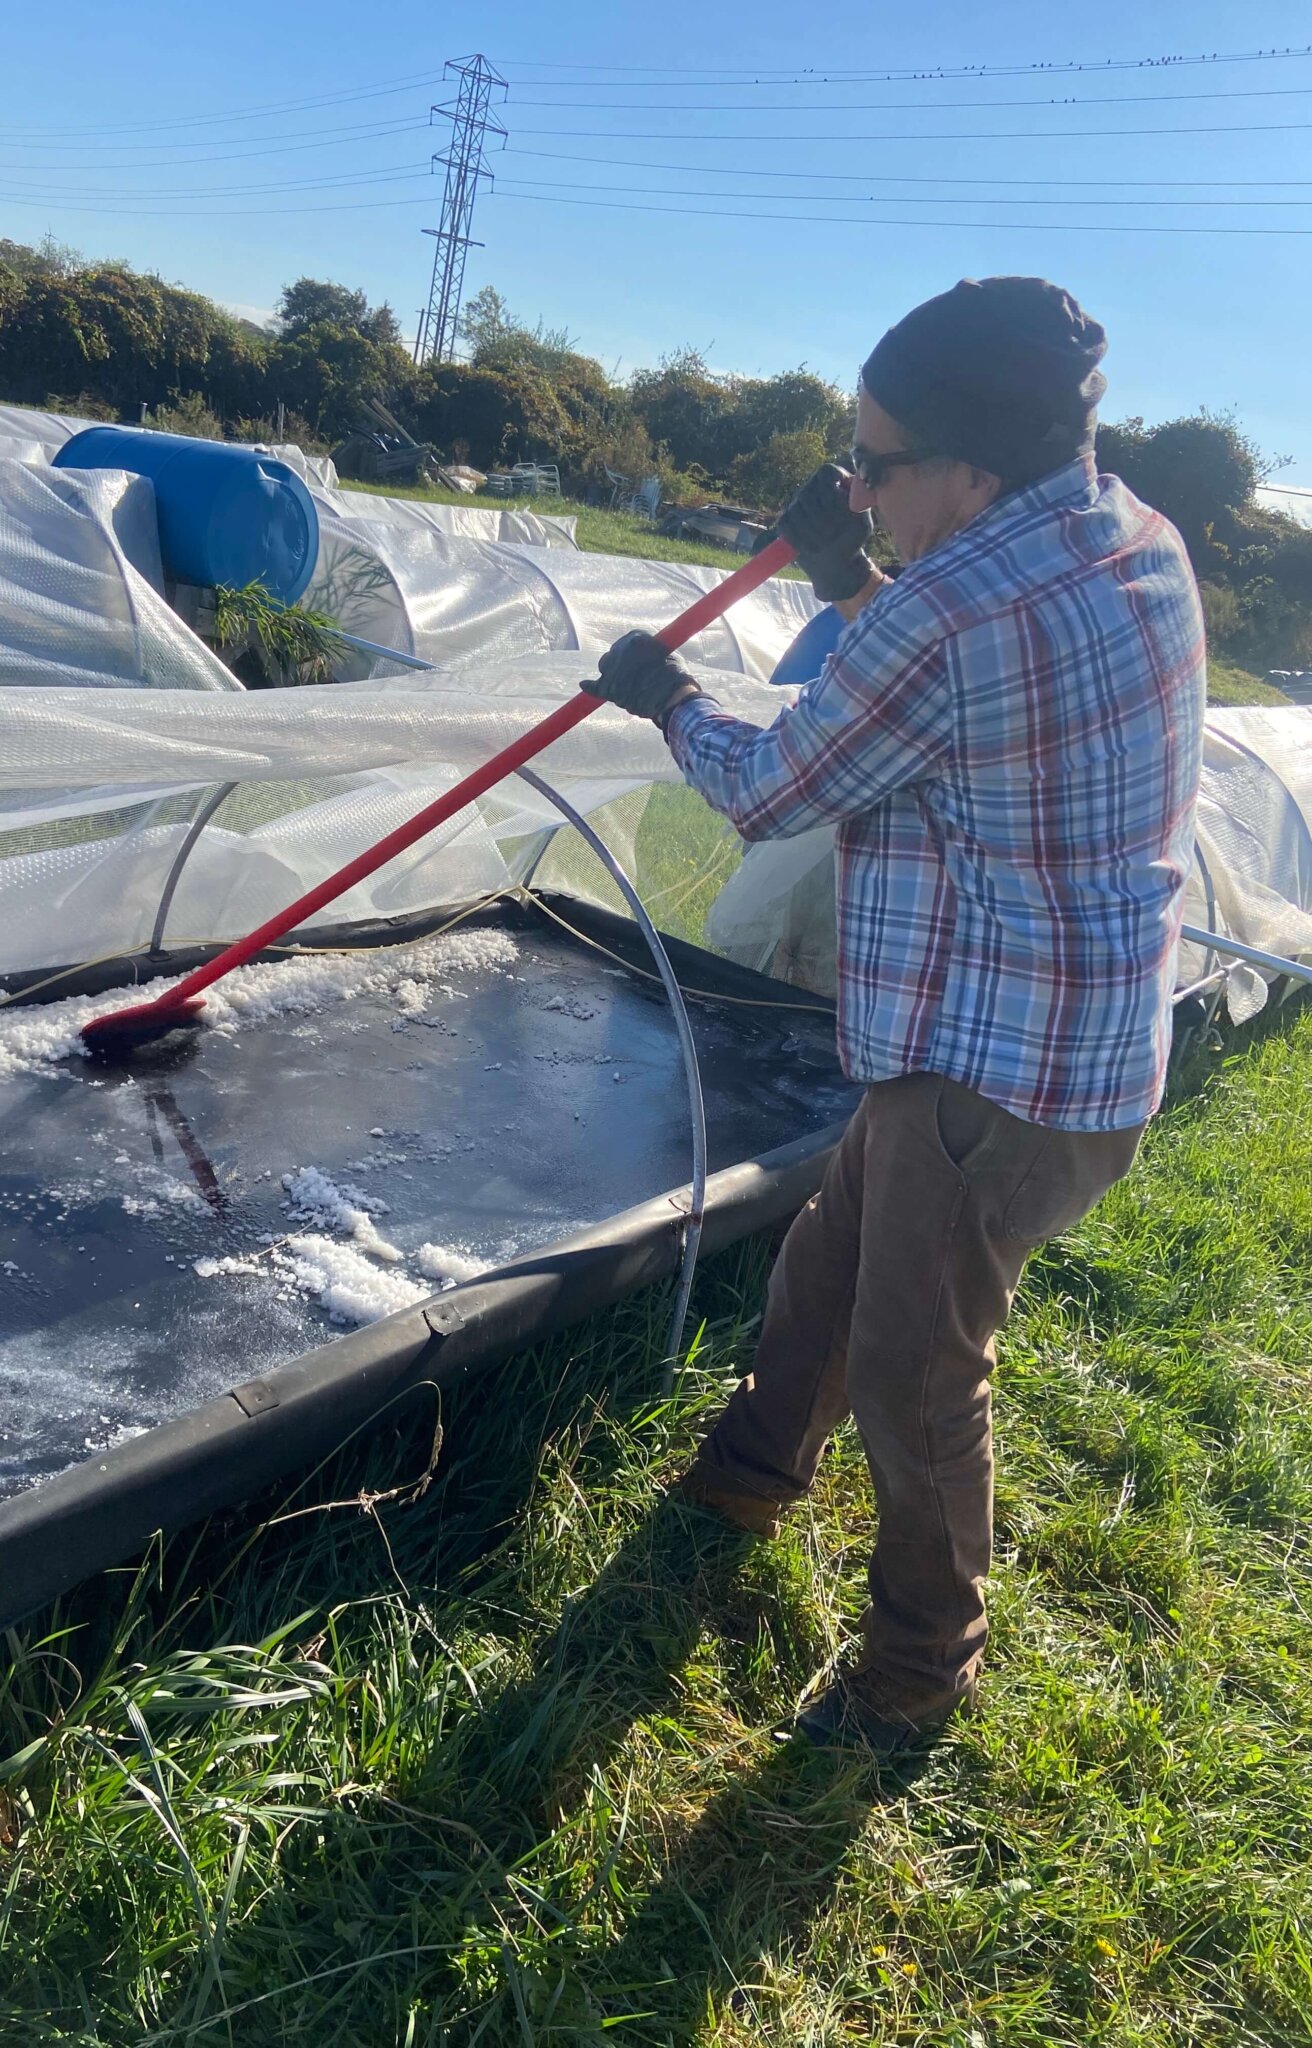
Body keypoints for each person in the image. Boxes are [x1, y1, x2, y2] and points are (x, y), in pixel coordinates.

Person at [587, 277, 1206, 1751]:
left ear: (974, 473)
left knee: (918, 1372)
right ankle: (744, 1473)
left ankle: (920, 1672)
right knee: (830, 1257)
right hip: (1066, 1039)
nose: (852, 482)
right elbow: (977, 694)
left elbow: (774, 788)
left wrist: (666, 697)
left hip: (993, 1068)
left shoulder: (945, 611)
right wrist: (842, 572)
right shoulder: (1131, 536)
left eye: (875, 461)